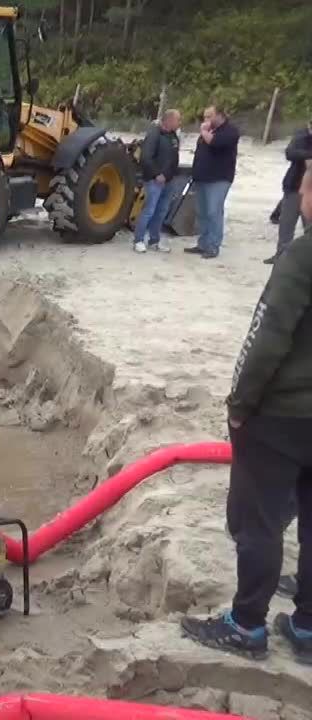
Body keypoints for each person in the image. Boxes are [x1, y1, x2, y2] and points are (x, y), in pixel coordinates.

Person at [181, 166, 312, 663]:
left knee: (258, 524)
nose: (298, 196)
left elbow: (267, 336)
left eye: (303, 187)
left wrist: (240, 404)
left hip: (281, 417)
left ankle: (246, 625)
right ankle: (307, 627)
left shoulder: (302, 256)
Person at [186, 105, 241, 260]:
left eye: (209, 116)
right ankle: (203, 243)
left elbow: (215, 143)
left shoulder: (230, 131)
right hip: (202, 177)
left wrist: (204, 132)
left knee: (213, 212)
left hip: (219, 179)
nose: (206, 120)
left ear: (220, 116)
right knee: (202, 212)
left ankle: (213, 245)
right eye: (204, 117)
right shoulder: (209, 131)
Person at [133, 109, 182, 254]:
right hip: (155, 181)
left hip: (169, 180)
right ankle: (138, 240)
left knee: (161, 212)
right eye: (178, 120)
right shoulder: (154, 134)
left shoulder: (173, 136)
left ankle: (154, 241)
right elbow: (146, 157)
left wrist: (171, 175)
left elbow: (174, 157)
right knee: (149, 210)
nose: (180, 123)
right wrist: (156, 174)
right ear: (169, 120)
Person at [267, 119, 312, 265]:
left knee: (309, 229)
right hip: (293, 187)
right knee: (286, 226)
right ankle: (281, 257)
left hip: (309, 191)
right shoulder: (301, 136)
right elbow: (290, 153)